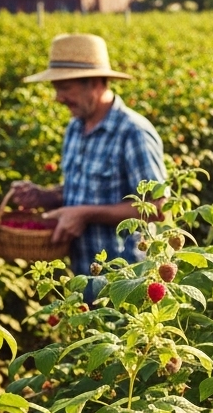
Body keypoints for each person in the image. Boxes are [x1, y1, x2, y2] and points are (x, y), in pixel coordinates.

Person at [10, 33, 167, 279]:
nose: (58, 97)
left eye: (64, 88)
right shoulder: (75, 128)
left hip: (125, 277)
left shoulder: (132, 132)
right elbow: (82, 190)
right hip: (82, 272)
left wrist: (85, 214)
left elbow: (158, 207)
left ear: (93, 82)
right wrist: (44, 195)